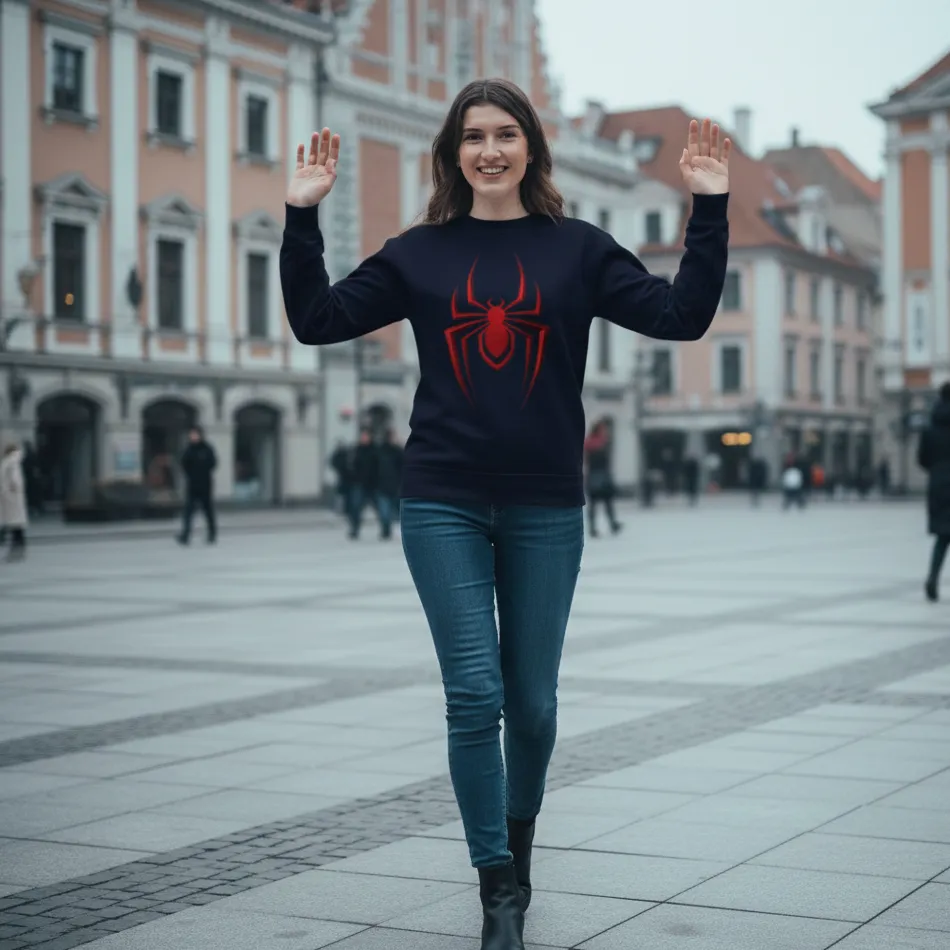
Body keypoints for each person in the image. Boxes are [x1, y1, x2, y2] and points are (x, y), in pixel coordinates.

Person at [280, 78, 730, 950]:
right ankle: (497, 893)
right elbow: (316, 319)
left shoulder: (578, 249)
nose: (490, 149)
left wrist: (707, 208)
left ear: (531, 147)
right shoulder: (418, 253)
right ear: (453, 153)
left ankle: (519, 854)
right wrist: (303, 219)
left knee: (533, 707)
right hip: (441, 495)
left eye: (506, 134)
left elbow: (683, 315)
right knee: (473, 696)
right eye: (474, 136)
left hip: (545, 503)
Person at [917, 382, 950, 601]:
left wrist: (937, 470)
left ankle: (932, 578)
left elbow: (921, 460)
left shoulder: (929, 429)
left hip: (938, 485)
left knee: (942, 537)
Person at [176, 426, 217, 546]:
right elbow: (184, 464)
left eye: (195, 434)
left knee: (208, 511)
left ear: (200, 435)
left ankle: (212, 534)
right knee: (188, 512)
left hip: (205, 484)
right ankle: (185, 535)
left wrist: (203, 472)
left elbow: (213, 463)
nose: (193, 437)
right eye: (191, 435)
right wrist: (190, 475)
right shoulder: (189, 449)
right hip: (192, 485)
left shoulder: (207, 449)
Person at [583, 420, 621, 536]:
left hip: (595, 475)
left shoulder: (590, 442)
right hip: (599, 475)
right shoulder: (601, 443)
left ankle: (598, 527)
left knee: (599, 503)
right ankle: (610, 525)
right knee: (603, 502)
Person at [0, 443, 28, 561]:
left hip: (10, 498)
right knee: (17, 526)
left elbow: (14, 480)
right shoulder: (14, 462)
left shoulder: (9, 462)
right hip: (14, 498)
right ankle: (19, 550)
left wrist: (11, 491)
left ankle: (16, 551)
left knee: (14, 525)